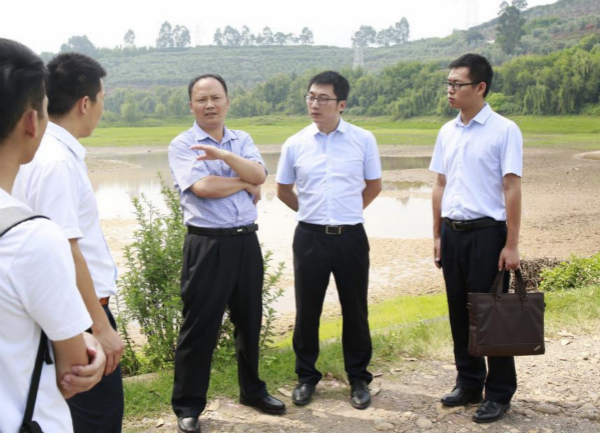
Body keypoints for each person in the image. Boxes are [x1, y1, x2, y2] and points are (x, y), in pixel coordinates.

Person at [14, 52, 125, 432]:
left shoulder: (43, 152)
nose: (102, 109)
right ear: (85, 103)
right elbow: (66, 248)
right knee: (98, 418)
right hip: (79, 314)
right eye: (102, 99)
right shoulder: (56, 161)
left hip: (67, 311)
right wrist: (100, 327)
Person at [168, 73, 285, 433]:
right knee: (199, 327)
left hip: (245, 242)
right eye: (201, 99)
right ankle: (188, 406)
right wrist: (243, 181)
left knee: (250, 321)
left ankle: (252, 392)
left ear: (227, 101)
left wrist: (222, 155)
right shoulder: (182, 144)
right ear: (191, 105)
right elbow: (203, 186)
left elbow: (260, 174)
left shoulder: (241, 139)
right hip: (207, 244)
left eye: (216, 97)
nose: (210, 105)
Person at [276, 70, 383, 410]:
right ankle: (306, 377)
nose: (315, 104)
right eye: (311, 97)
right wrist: (312, 212)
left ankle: (359, 379)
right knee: (308, 309)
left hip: (351, 236)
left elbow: (374, 186)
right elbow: (282, 190)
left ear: (341, 104)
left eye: (323, 98)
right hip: (309, 237)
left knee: (356, 309)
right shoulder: (295, 143)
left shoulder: (363, 139)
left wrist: (347, 211)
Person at [430, 53, 523, 424]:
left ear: (480, 87)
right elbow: (440, 184)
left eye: (458, 84)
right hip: (452, 233)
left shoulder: (504, 130)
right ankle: (469, 382)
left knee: (491, 313)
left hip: (488, 234)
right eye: (449, 83)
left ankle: (499, 393)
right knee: (458, 311)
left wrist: (511, 244)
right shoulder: (447, 131)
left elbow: (511, 188)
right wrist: (437, 234)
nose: (450, 90)